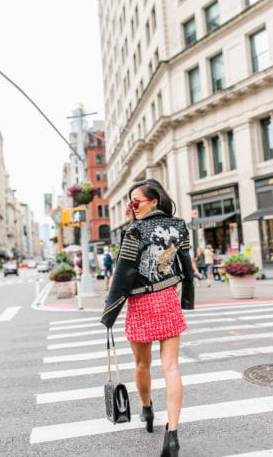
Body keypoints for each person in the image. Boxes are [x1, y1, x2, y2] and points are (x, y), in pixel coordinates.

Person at [101, 179, 194, 457]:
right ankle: (172, 434)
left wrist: (109, 313)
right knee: (172, 368)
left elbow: (123, 273)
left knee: (142, 363)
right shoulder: (179, 226)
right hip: (167, 300)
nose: (132, 206)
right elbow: (186, 265)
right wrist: (187, 297)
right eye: (130, 203)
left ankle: (147, 409)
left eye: (136, 202)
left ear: (153, 200)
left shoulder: (134, 231)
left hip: (141, 303)